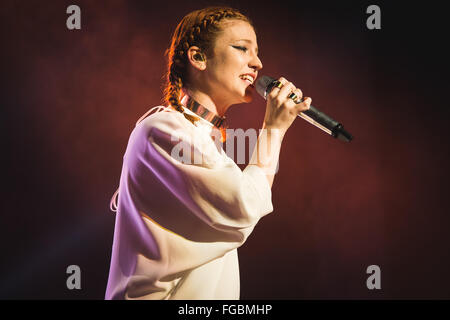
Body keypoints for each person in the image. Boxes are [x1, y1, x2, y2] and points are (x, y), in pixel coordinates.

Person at [105, 6, 311, 300]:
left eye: (257, 52)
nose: (257, 63)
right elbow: (245, 206)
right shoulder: (163, 128)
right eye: (242, 48)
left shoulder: (202, 137)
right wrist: (273, 130)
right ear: (198, 57)